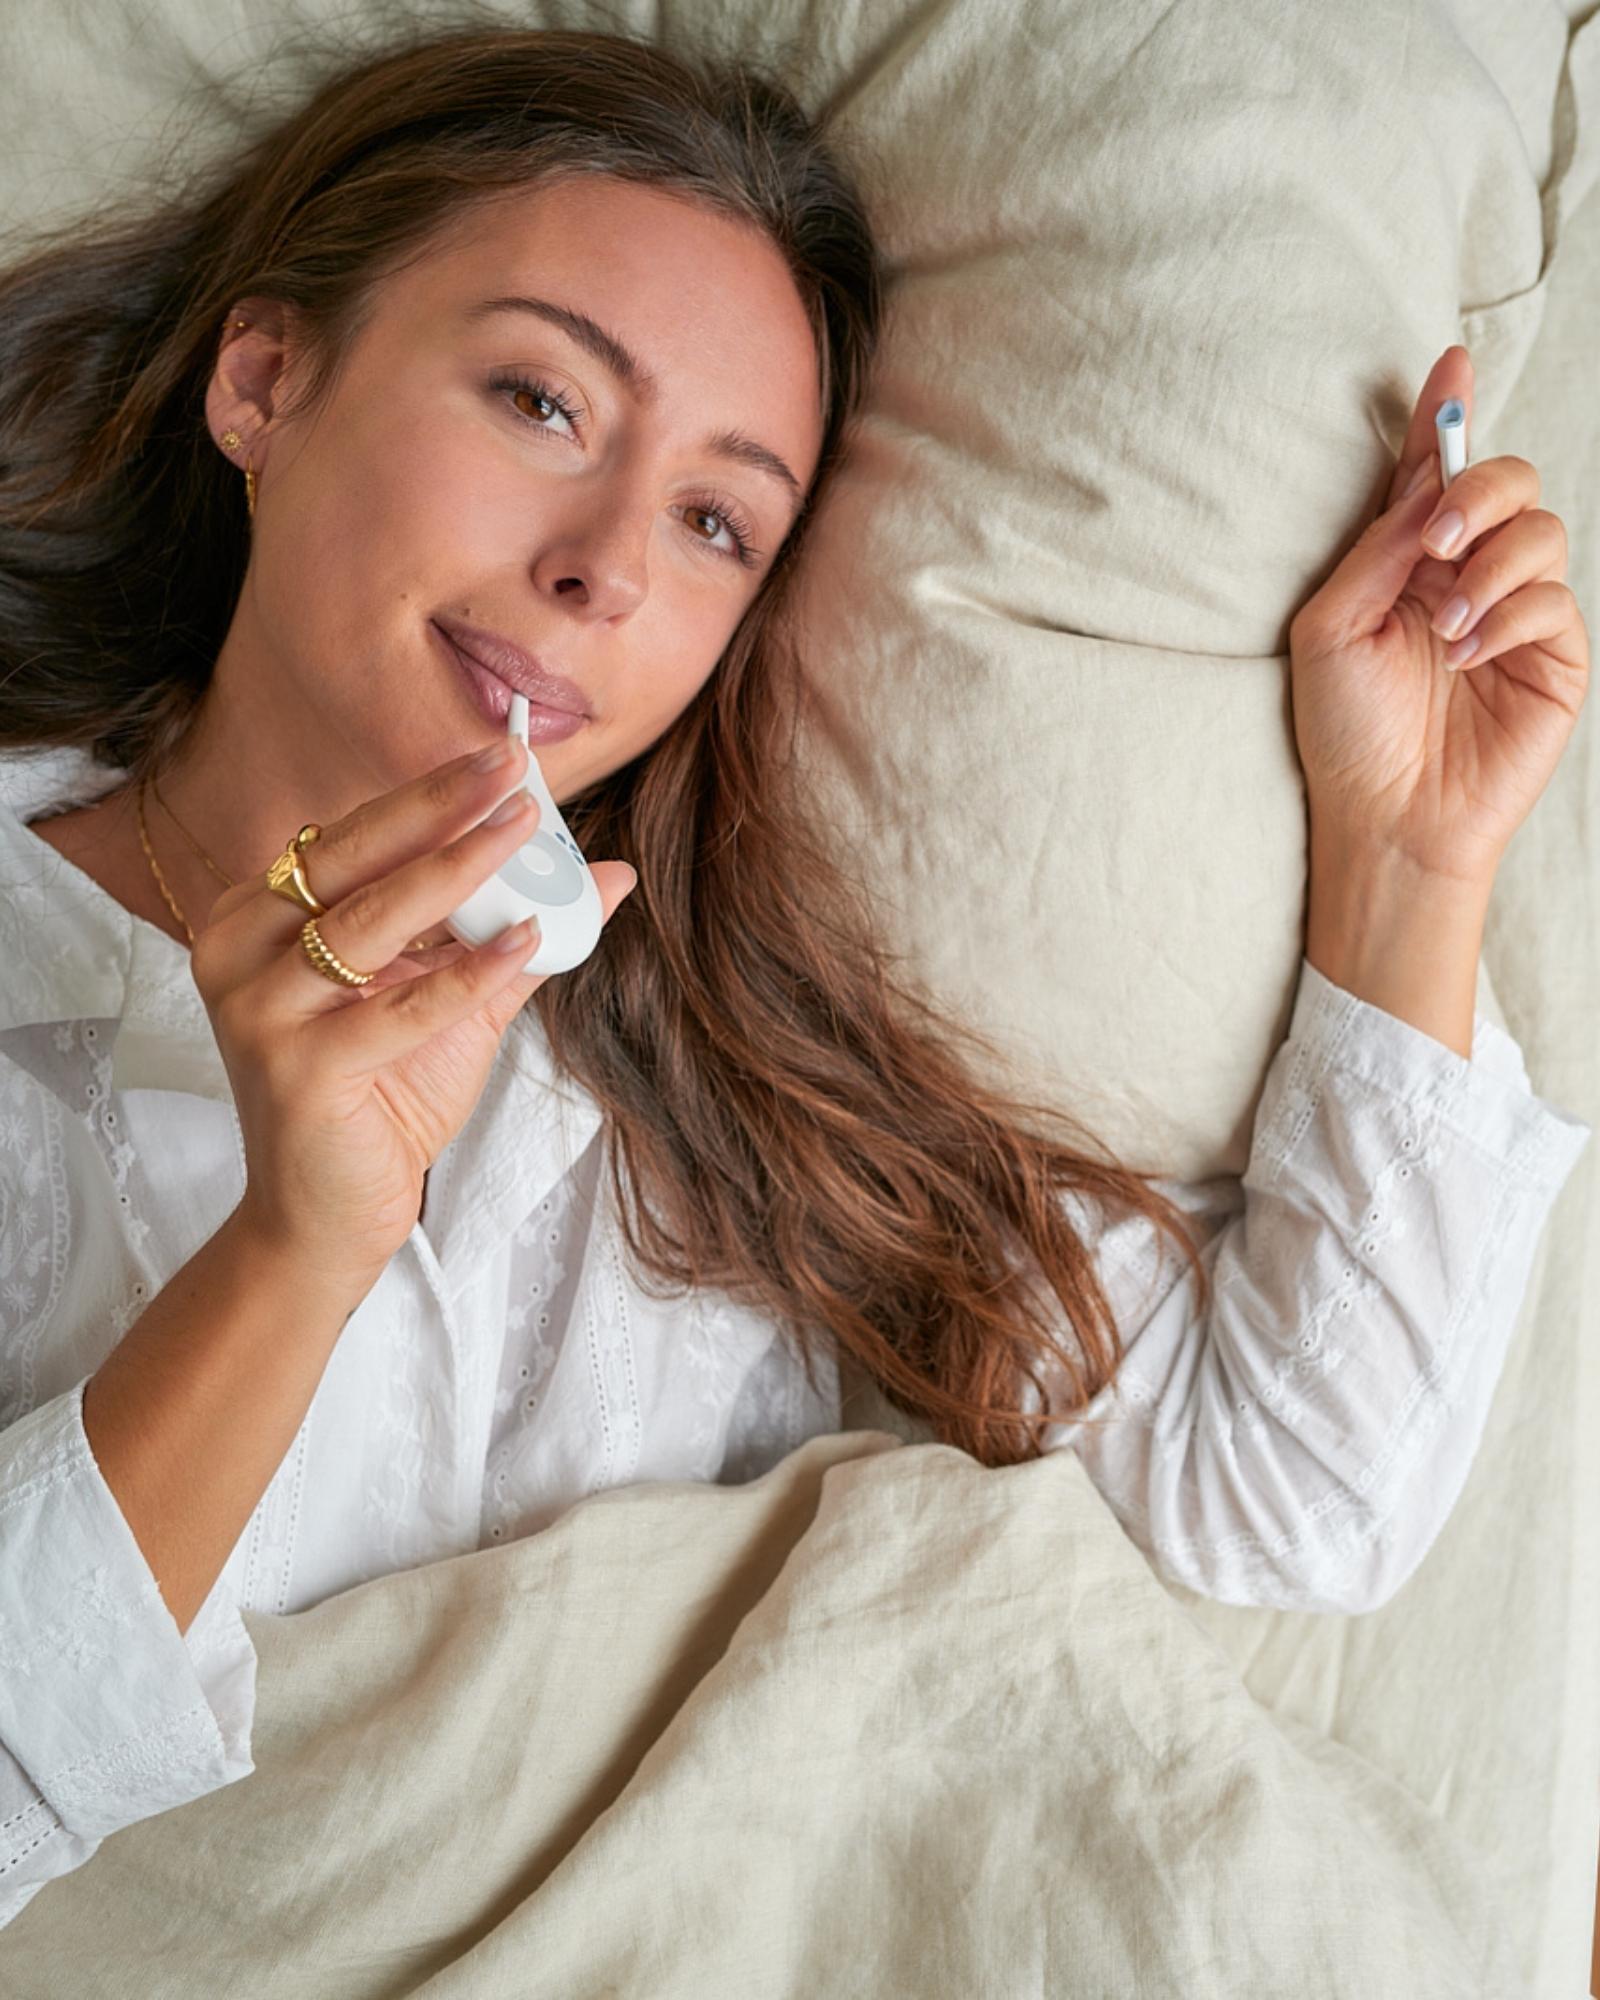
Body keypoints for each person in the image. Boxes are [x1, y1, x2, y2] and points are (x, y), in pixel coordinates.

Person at [0, 21, 1590, 1928]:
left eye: (714, 521)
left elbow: (1299, 1490)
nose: (604, 568)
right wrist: (290, 1254)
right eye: (539, 400)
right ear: (266, 380)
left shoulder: (726, 1071)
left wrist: (1409, 863)